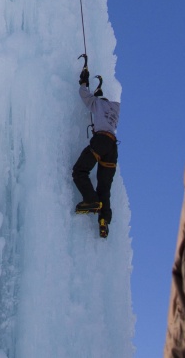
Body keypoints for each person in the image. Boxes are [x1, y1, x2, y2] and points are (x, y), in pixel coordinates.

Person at [72, 65, 120, 239]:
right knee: (104, 187)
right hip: (112, 148)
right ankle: (104, 221)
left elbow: (85, 96)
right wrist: (99, 92)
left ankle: (91, 199)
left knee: (79, 171)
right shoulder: (116, 108)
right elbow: (102, 103)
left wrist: (84, 81)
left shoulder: (97, 104)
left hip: (100, 141)